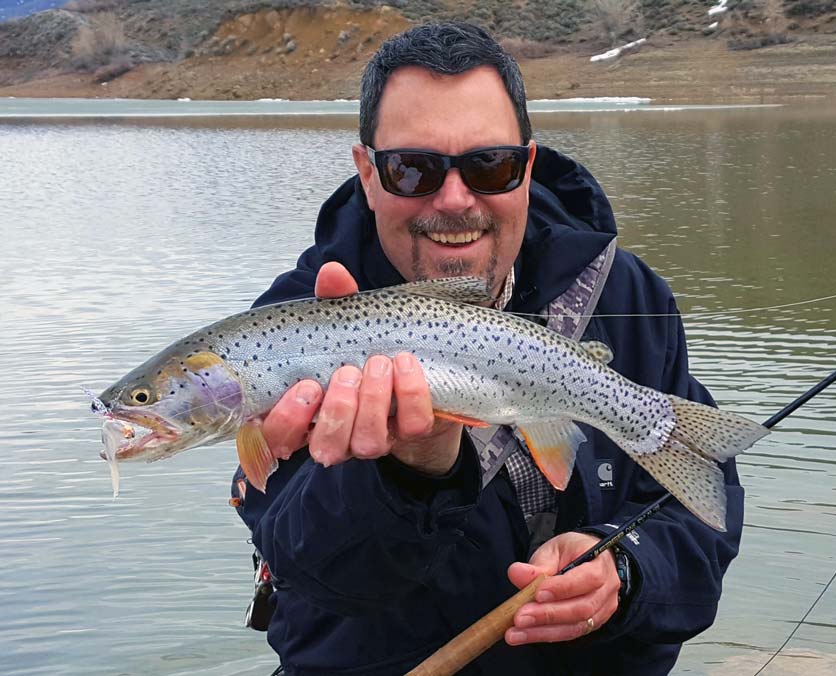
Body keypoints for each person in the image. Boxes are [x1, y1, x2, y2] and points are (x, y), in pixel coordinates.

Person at [232, 21, 743, 676]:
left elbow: (700, 518)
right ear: (367, 172)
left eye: (489, 165)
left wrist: (627, 569)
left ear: (527, 167)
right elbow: (313, 573)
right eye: (412, 169)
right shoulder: (285, 334)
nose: (454, 200)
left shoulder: (626, 292)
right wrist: (411, 473)